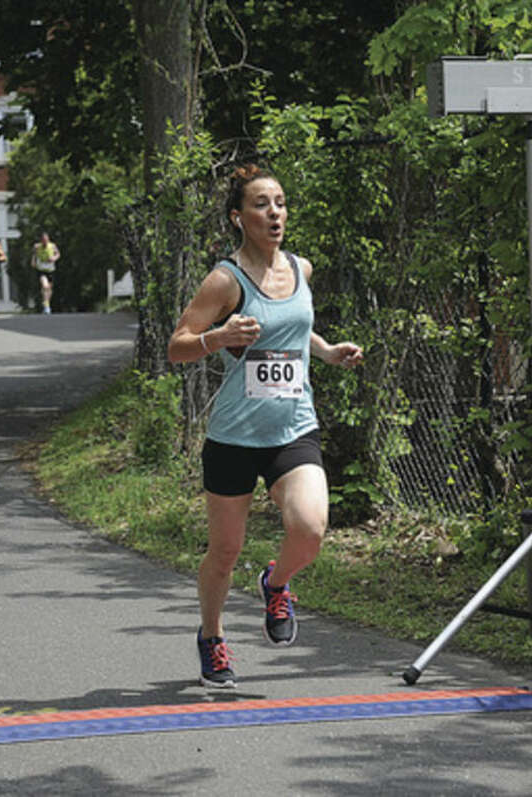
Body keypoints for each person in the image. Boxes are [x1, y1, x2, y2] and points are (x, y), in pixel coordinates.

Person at [167, 164, 363, 688]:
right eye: (260, 204)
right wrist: (219, 337)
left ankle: (277, 584)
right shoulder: (224, 280)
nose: (273, 212)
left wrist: (325, 352)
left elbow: (295, 327)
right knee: (225, 551)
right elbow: (177, 344)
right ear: (239, 217)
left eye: (279, 202)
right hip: (234, 436)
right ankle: (212, 637)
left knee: (310, 529)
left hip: (293, 426)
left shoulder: (303, 268)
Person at [30, 231, 60, 314]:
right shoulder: (37, 247)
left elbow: (58, 254)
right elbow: (34, 254)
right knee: (45, 286)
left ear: (48, 239)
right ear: (41, 240)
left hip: (50, 270)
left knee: (49, 289)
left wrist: (54, 258)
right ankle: (46, 306)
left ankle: (47, 303)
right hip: (41, 270)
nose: (45, 242)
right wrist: (33, 261)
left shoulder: (52, 246)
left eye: (46, 240)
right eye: (43, 240)